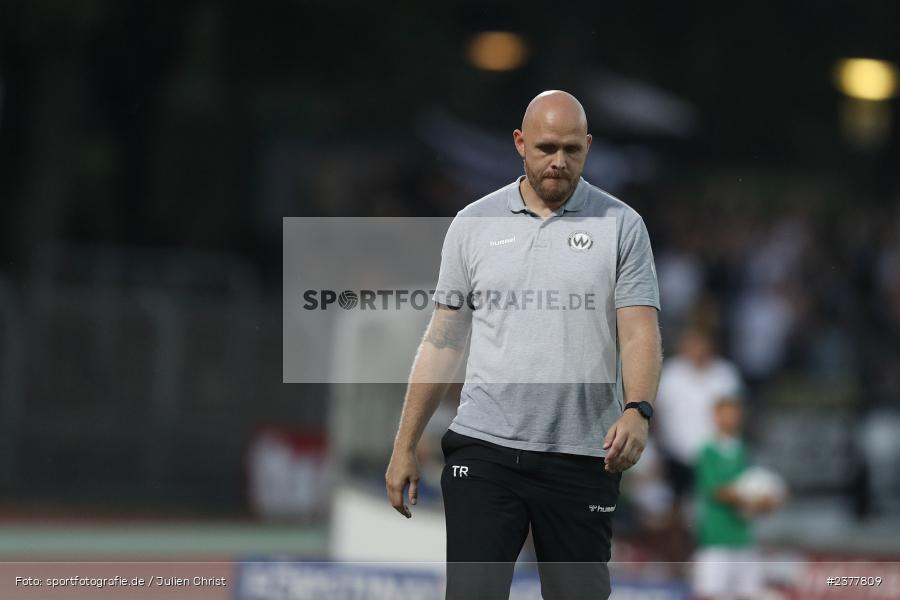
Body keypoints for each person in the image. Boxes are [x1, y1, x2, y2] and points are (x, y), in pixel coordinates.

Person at [385, 90, 662, 600]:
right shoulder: (473, 224)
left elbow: (640, 329)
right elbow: (443, 340)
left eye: (572, 150)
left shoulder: (623, 225)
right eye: (546, 147)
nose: (559, 161)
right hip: (485, 451)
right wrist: (404, 445)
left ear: (589, 147)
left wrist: (638, 410)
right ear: (519, 143)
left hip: (583, 457)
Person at [693, 392, 780, 600]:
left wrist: (766, 503)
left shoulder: (741, 449)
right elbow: (717, 491)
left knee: (747, 592)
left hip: (742, 537)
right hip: (716, 537)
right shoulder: (707, 451)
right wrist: (755, 499)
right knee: (709, 593)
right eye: (727, 413)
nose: (732, 418)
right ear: (715, 416)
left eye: (735, 413)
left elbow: (749, 484)